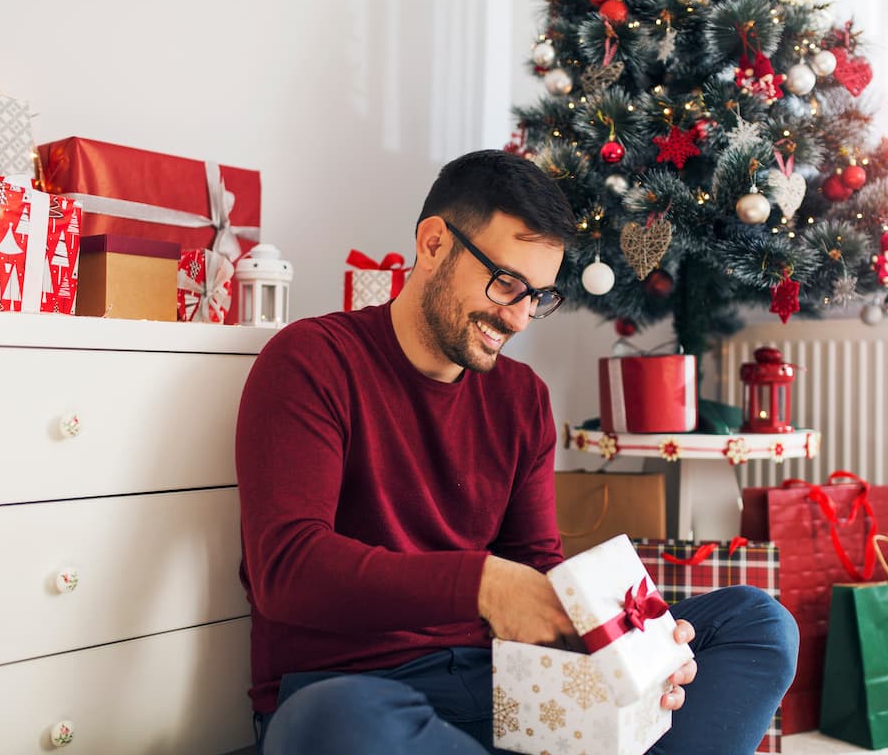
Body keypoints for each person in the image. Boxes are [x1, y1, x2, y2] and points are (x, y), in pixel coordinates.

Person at [235, 149, 797, 755]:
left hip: (507, 692)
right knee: (333, 720)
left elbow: (538, 570)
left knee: (759, 622)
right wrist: (481, 584)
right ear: (432, 245)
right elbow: (287, 571)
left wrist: (636, 649)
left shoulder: (522, 397)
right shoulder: (313, 360)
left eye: (538, 296)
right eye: (506, 283)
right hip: (363, 694)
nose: (519, 318)